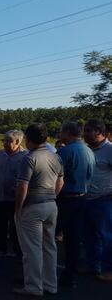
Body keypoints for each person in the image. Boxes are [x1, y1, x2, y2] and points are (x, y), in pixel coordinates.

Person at [13, 124, 64, 296]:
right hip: (51, 204)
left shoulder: (29, 158)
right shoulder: (55, 157)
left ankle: (34, 286)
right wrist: (52, 196)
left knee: (32, 248)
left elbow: (22, 186)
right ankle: (50, 284)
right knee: (49, 246)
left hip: (33, 206)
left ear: (28, 139)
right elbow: (60, 182)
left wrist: (18, 208)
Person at [56, 121, 95, 287]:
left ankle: (45, 275)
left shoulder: (65, 152)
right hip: (82, 197)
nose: (60, 135)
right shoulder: (89, 151)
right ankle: (69, 276)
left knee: (49, 235)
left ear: (68, 133)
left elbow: (57, 177)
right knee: (73, 238)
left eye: (61, 132)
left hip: (66, 198)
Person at [83, 119, 112, 282]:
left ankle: (109, 269)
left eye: (88, 130)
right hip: (87, 198)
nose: (85, 134)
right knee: (89, 236)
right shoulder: (87, 150)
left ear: (99, 132)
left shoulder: (109, 150)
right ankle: (93, 265)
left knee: (107, 236)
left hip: (104, 200)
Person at [0, 130, 27, 257]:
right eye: (4, 140)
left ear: (17, 142)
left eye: (8, 141)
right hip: (0, 197)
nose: (5, 143)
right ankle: (1, 248)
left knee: (16, 226)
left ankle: (18, 250)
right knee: (0, 224)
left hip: (16, 198)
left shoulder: (25, 156)